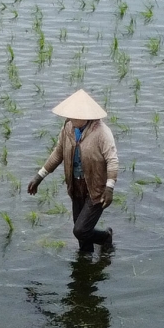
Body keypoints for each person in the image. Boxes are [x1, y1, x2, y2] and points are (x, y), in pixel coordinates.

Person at [27, 89, 118, 253]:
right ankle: (85, 262)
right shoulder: (68, 129)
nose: (68, 117)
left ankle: (105, 237)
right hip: (76, 185)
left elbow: (112, 161)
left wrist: (109, 187)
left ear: (84, 115)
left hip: (96, 188)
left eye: (73, 115)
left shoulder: (102, 133)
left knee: (80, 230)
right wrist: (39, 176)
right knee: (81, 235)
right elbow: (58, 153)